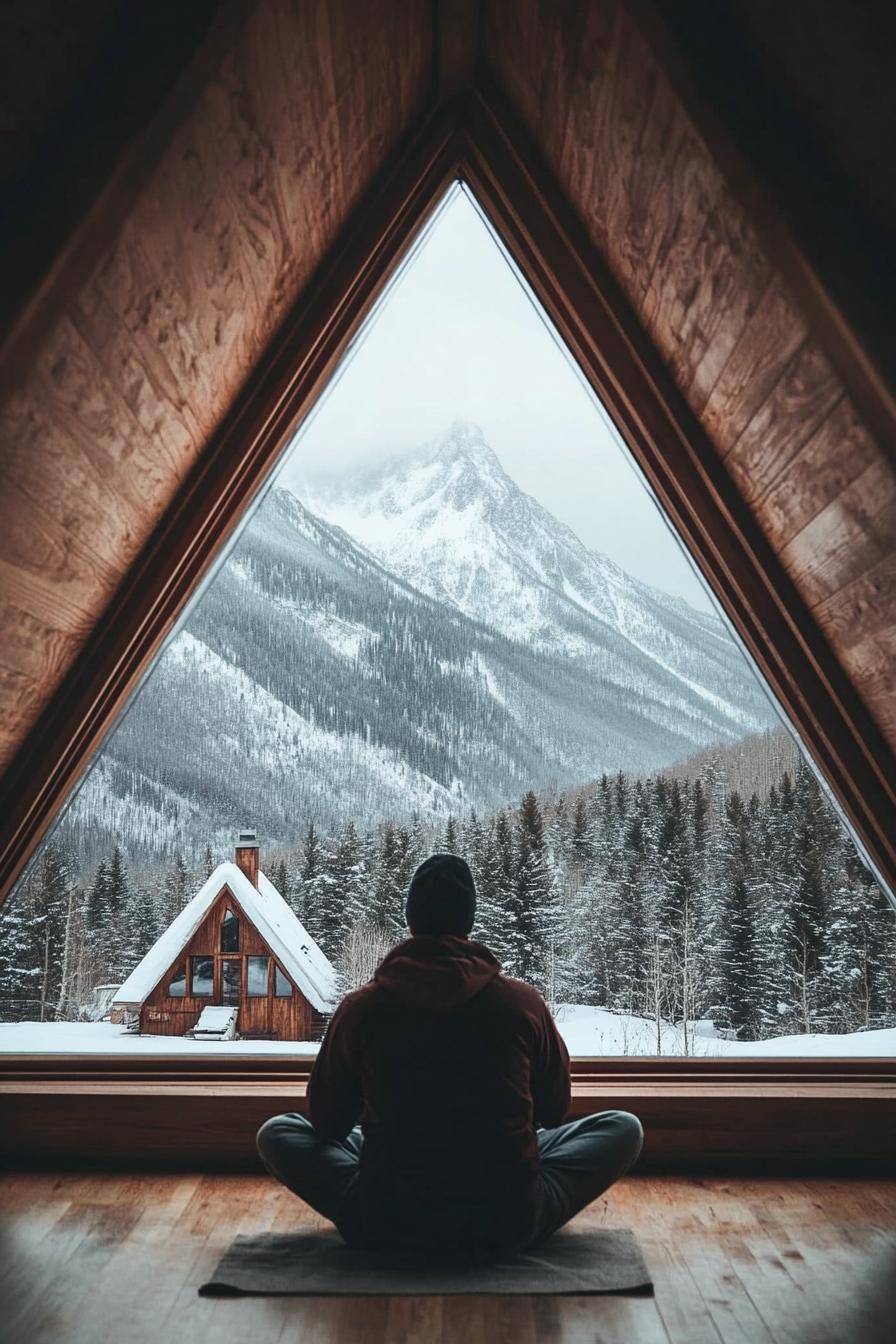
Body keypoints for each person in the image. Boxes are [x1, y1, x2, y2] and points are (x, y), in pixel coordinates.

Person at [257, 852, 643, 1256]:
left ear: (410, 922)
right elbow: (553, 1110)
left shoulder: (363, 1009)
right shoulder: (521, 1004)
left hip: (387, 1221)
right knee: (623, 1127)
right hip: (508, 1220)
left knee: (279, 1133)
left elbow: (327, 1122)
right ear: (469, 923)